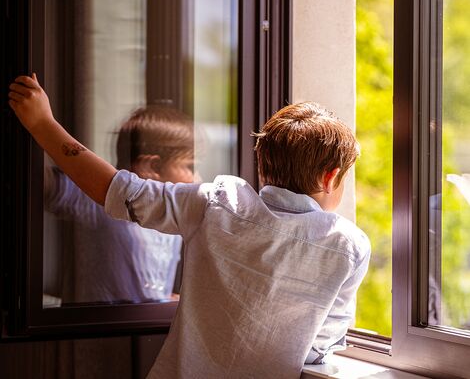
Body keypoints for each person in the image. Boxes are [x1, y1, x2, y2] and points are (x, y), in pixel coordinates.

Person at [9, 74, 371, 379]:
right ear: (331, 177)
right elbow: (320, 345)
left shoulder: (219, 203)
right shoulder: (348, 246)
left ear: (262, 168)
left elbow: (118, 190)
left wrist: (42, 124)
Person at [45, 105, 198, 304]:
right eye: (190, 166)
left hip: (148, 332)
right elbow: (43, 182)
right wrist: (42, 123)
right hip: (104, 331)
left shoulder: (174, 218)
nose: (196, 178)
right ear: (153, 166)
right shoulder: (96, 201)